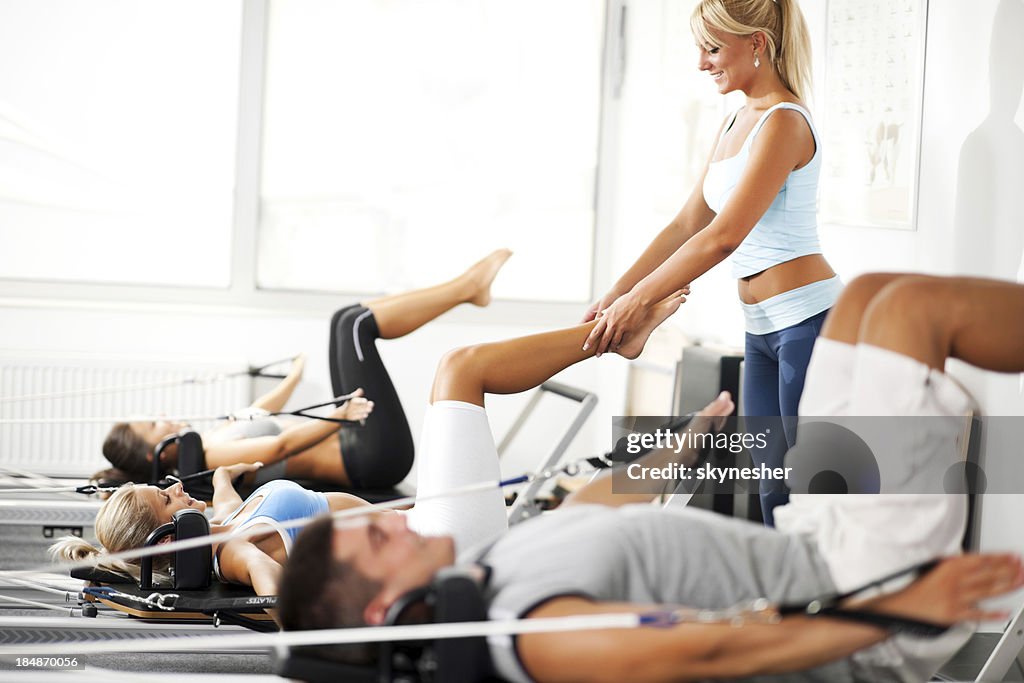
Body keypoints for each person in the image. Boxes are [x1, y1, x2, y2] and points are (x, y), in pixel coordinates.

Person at [279, 274, 1024, 682]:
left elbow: (590, 510)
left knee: (863, 299)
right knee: (914, 314)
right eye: (377, 534)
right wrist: (891, 612)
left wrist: (683, 448)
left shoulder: (487, 575)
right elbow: (709, 650)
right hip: (866, 589)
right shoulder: (529, 634)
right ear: (381, 608)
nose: (395, 516)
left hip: (816, 541)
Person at [583, 0, 838, 525]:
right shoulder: (734, 122)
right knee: (771, 489)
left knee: (803, 495)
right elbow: (687, 224)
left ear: (758, 45)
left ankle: (820, 604)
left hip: (806, 322)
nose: (702, 63)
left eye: (713, 48)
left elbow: (722, 238)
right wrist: (615, 295)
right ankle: (781, 605)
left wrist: (640, 303)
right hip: (761, 328)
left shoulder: (785, 122)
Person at [95, 249, 513, 489]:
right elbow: (278, 448)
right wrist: (337, 418)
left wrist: (294, 376)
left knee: (344, 320)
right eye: (154, 423)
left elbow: (260, 411)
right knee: (355, 326)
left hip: (357, 442)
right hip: (370, 457)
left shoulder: (207, 440)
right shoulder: (210, 457)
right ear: (156, 452)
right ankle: (467, 288)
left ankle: (468, 289)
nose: (163, 416)